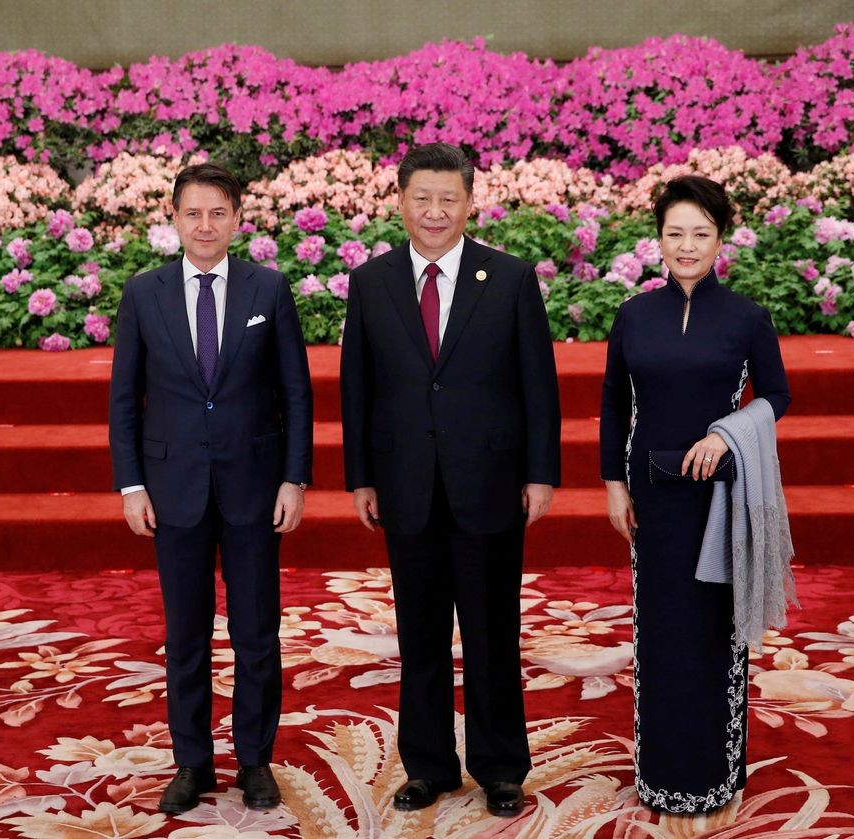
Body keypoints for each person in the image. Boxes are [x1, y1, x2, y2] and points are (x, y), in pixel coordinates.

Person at [340, 142, 561, 819]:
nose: (434, 211)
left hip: (488, 482)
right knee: (421, 635)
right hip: (406, 486)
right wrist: (360, 477)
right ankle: (429, 765)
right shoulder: (372, 282)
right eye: (422, 198)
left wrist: (540, 472)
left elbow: (537, 384)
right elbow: (358, 386)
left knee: (492, 634)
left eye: (448, 198)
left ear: (470, 202)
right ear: (401, 202)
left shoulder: (511, 278)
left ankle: (500, 767)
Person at [109, 162, 313, 814]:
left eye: (217, 213)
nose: (204, 225)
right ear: (173, 218)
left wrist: (294, 476)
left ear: (237, 218)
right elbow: (124, 401)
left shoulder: (268, 289)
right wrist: (132, 484)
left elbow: (295, 394)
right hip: (173, 491)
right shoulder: (145, 295)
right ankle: (191, 761)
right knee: (186, 634)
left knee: (257, 633)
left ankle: (255, 759)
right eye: (192, 213)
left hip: (255, 486)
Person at [600, 175, 790, 813]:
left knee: (713, 629)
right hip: (652, 499)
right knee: (660, 628)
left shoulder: (745, 317)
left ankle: (715, 771)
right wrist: (612, 486)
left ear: (720, 241)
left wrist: (730, 434)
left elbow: (777, 395)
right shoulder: (634, 316)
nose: (687, 246)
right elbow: (612, 408)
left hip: (720, 500)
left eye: (700, 234)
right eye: (675, 233)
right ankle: (660, 772)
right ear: (658, 239)